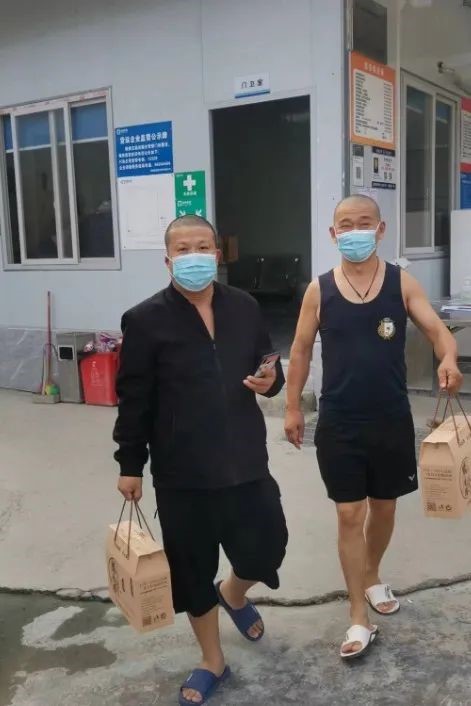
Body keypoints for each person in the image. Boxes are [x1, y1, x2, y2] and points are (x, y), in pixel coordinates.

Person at [114, 215, 288, 705]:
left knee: (267, 547)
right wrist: (130, 464)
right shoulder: (145, 319)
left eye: (203, 247)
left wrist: (270, 382)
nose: (194, 257)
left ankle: (232, 593)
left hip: (245, 459)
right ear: (168, 260)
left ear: (218, 253)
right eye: (183, 249)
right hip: (183, 471)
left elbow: (268, 366)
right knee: (192, 570)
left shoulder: (244, 306)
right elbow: (135, 400)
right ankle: (213, 659)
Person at [284, 194, 462, 660]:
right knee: (349, 514)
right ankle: (357, 613)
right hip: (340, 421)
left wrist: (447, 357)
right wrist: (292, 406)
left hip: (390, 419)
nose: (355, 231)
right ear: (333, 233)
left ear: (381, 230)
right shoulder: (319, 290)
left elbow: (435, 329)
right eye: (346, 224)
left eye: (364, 223)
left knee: (384, 507)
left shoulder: (401, 283)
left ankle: (372, 573)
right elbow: (299, 350)